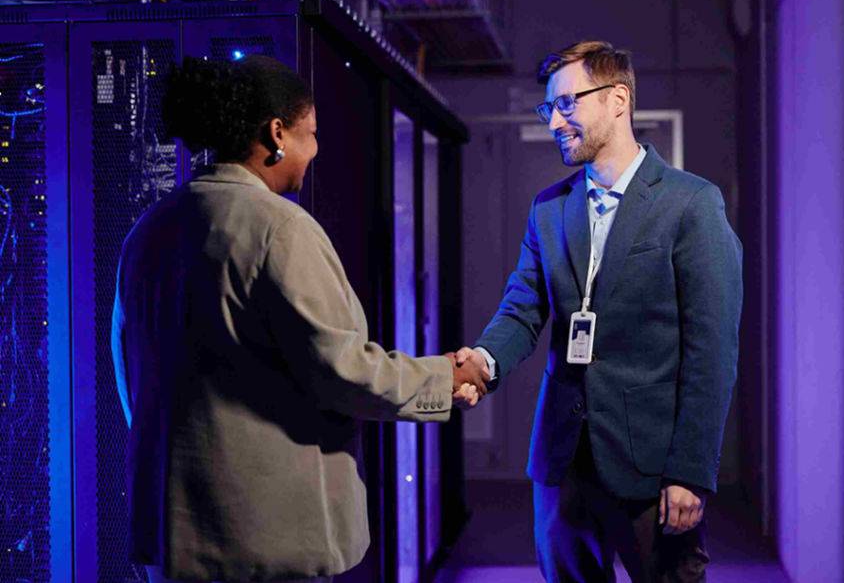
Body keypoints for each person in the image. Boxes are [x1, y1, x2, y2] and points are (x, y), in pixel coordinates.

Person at [110, 55, 487, 583]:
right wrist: (444, 377)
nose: (315, 151)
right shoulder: (279, 228)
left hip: (172, 541)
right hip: (264, 541)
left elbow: (127, 371)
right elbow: (342, 371)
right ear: (277, 132)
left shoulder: (149, 228)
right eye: (311, 134)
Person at [455, 41, 743, 582]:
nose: (554, 121)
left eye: (566, 104)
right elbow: (524, 306)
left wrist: (691, 471)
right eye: (548, 109)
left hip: (653, 468)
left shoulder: (691, 204)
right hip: (564, 463)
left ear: (618, 99)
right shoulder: (549, 207)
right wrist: (484, 361)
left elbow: (712, 352)